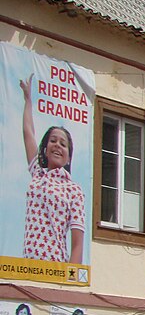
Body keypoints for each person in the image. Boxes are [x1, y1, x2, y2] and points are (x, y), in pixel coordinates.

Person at [19, 74, 85, 264]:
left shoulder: (74, 190)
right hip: (27, 266)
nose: (57, 145)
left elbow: (77, 242)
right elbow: (28, 133)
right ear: (45, 149)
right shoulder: (37, 174)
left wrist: (71, 283)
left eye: (63, 144)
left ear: (68, 157)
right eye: (53, 141)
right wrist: (28, 100)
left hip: (54, 267)